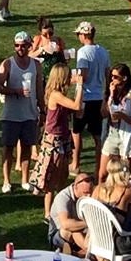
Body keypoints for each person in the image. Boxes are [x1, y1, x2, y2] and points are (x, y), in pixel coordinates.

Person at [31, 62, 83, 205]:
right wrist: (79, 85)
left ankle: (60, 205)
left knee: (64, 174)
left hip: (63, 137)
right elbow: (76, 105)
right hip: (54, 140)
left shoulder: (61, 94)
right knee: (53, 177)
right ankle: (49, 212)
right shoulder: (55, 95)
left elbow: (78, 111)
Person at [0, 30, 41, 193]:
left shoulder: (36, 65)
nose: (20, 48)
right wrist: (15, 91)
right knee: (8, 148)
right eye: (17, 46)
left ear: (30, 46)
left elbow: (39, 89)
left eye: (23, 46)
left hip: (29, 113)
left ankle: (24, 179)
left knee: (26, 147)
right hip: (11, 115)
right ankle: (6, 181)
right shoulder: (8, 64)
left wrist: (42, 109)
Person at [72, 20, 110, 175]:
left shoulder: (83, 52)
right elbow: (108, 74)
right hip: (98, 97)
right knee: (97, 136)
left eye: (79, 34)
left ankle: (75, 164)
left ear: (84, 35)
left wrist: (70, 77)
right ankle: (99, 169)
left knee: (76, 132)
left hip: (85, 97)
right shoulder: (103, 51)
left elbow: (83, 76)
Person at [99, 63, 131, 183]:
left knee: (125, 176)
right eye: (111, 76)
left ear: (124, 78)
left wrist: (123, 116)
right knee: (102, 174)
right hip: (112, 134)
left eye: (115, 77)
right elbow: (103, 113)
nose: (112, 79)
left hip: (127, 136)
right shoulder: (109, 92)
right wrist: (111, 95)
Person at [50, 173, 95, 255]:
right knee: (73, 229)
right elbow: (65, 224)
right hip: (59, 233)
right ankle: (90, 252)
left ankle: (80, 253)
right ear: (75, 187)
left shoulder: (87, 198)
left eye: (90, 192)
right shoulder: (63, 197)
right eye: (85, 192)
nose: (89, 196)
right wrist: (90, 223)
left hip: (80, 230)